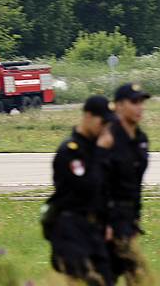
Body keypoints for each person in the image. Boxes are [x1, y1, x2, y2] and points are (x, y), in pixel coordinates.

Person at [44, 95, 115, 285]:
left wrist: (108, 221)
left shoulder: (96, 150)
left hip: (95, 228)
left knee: (106, 280)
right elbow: (87, 186)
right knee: (84, 278)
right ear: (88, 116)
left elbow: (105, 189)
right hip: (71, 227)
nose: (105, 129)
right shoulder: (71, 151)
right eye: (103, 122)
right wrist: (101, 152)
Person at [104, 83, 151, 284]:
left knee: (134, 276)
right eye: (134, 102)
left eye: (141, 102)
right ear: (119, 106)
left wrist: (135, 218)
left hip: (127, 218)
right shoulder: (107, 138)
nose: (140, 107)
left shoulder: (141, 139)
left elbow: (136, 184)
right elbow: (97, 183)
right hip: (106, 219)